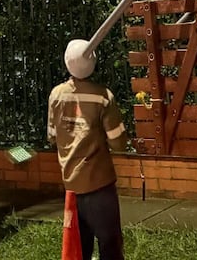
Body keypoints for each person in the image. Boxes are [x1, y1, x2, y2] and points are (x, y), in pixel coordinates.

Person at [47, 39, 126, 260]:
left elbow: (52, 136)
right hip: (100, 185)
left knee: (79, 248)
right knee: (110, 244)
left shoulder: (56, 95)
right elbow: (118, 142)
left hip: (71, 187)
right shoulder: (103, 97)